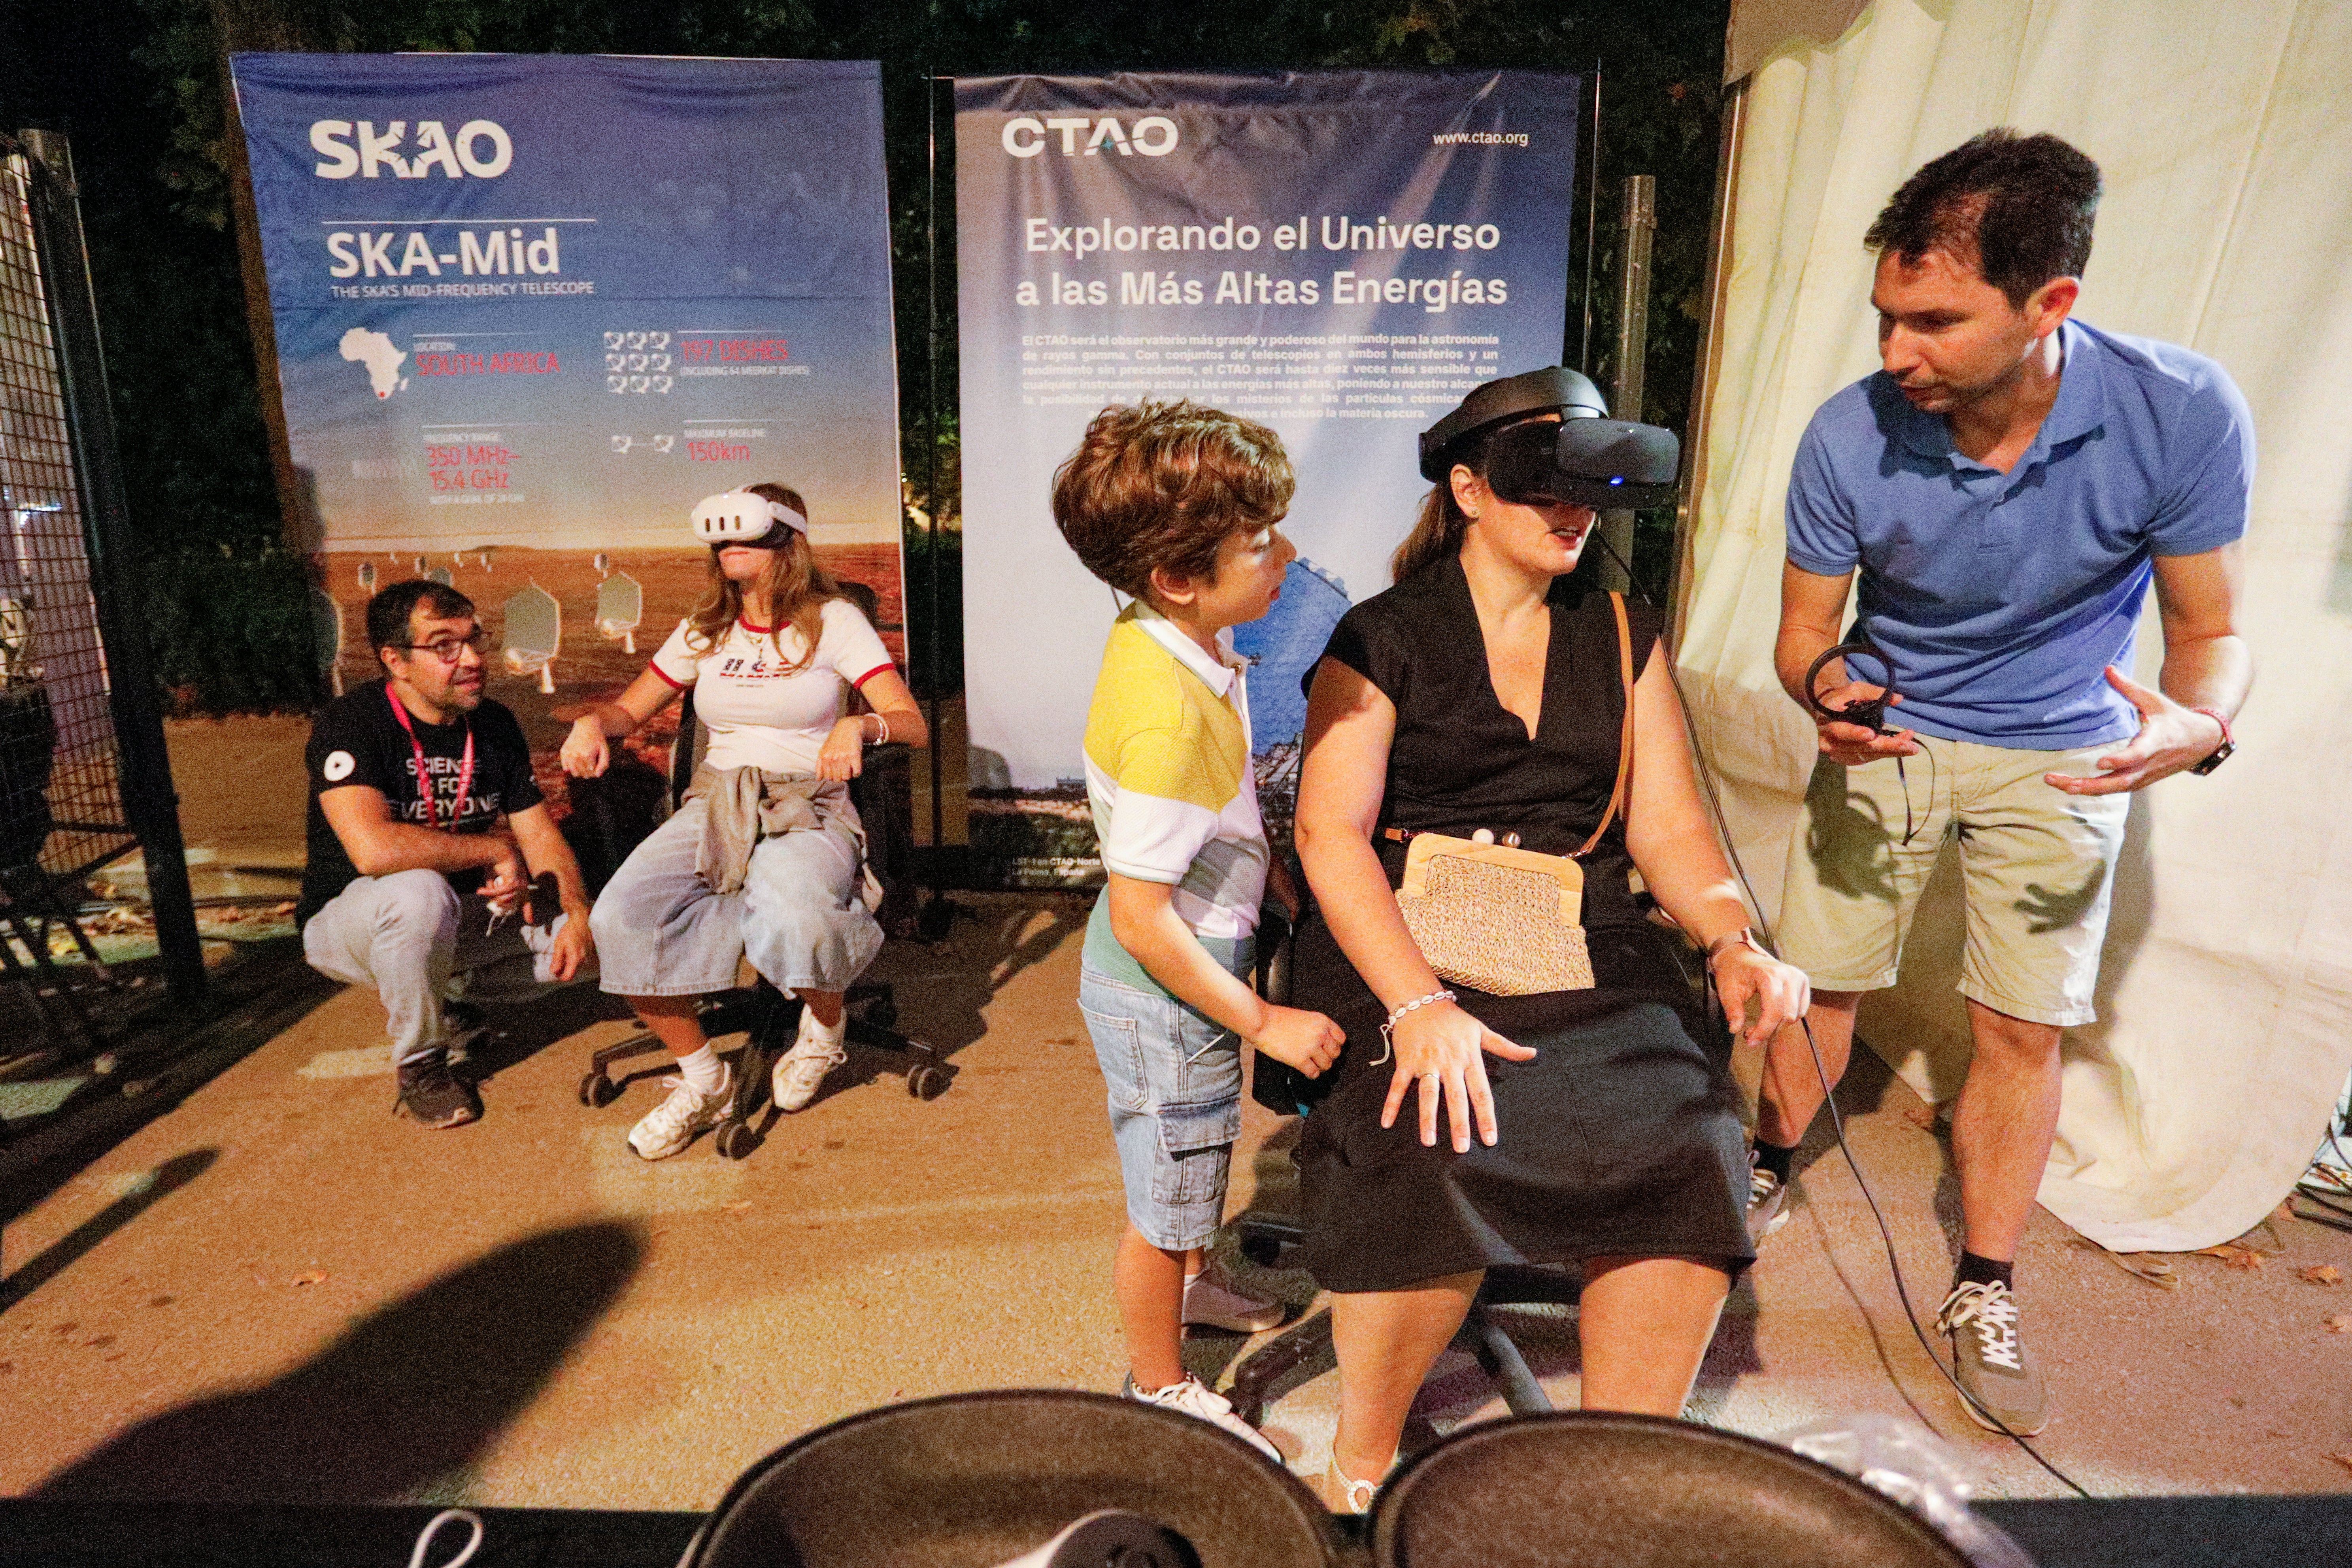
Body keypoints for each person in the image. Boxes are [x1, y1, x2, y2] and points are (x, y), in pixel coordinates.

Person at [1752, 130, 2254, 1437]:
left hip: (2066, 751)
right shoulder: (1847, 433)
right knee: (1819, 982)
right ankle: (1762, 1165)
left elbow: (2209, 632)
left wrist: (2202, 720)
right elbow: (1803, 633)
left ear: (2049, 304)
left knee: (2023, 1028)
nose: (1894, 352)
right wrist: (1824, 690)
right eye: (1884, 317)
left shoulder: (2179, 410)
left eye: (1933, 322)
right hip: (1891, 737)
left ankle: (1985, 1280)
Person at [1288, 366, 1812, 1511]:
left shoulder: (1620, 631)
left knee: (1689, 1138)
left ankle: (1609, 1475)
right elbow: (1328, 835)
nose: (1573, 512)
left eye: (1589, 490)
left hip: (1574, 919)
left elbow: (1667, 827)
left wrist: (1730, 938)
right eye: (1544, 488)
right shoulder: (1382, 634)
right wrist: (1418, 1004)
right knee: (1431, 1131)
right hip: (1400, 926)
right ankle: (1359, 1468)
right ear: (1468, 491)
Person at [1053, 402, 1347, 1463]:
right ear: (1177, 575)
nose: (1285, 557)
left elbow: (1199, 833)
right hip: (1167, 993)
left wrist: (1261, 872)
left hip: (1190, 964)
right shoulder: (1169, 713)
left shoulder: (1166, 635)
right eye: (1259, 544)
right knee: (1164, 1204)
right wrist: (1262, 1021)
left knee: (1191, 1172)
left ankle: (1194, 1284)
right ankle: (1159, 1379)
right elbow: (1143, 919)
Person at [563, 484, 926, 1160]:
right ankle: (705, 1080)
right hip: (716, 804)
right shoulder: (706, 627)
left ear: (787, 542)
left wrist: (858, 726)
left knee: (798, 912)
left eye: (746, 535)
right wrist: (593, 722)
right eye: (721, 538)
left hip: (807, 804)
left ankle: (824, 1030)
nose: (729, 548)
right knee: (620, 918)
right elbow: (629, 710)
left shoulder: (835, 621)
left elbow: (911, 722)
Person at [300, 580, 595, 1129]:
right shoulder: (352, 722)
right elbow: (372, 850)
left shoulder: (494, 724)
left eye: (473, 640)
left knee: (602, 940)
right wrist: (490, 848)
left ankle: (442, 996)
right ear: (396, 661)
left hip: (460, 918)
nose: (472, 659)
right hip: (352, 922)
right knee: (419, 893)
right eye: (444, 646)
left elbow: (540, 836)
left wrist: (577, 913)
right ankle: (422, 1065)